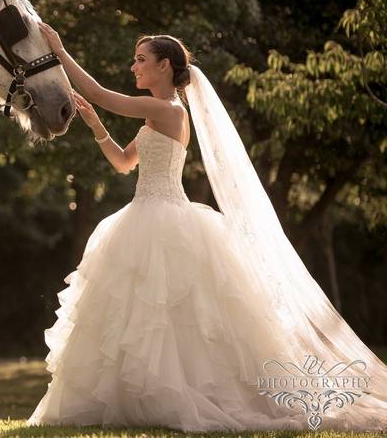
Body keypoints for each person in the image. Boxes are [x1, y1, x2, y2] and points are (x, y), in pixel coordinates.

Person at [26, 23, 387, 432]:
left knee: (172, 317)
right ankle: (138, 401)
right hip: (145, 213)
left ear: (165, 66)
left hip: (165, 218)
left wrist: (58, 50)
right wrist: (96, 127)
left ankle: (178, 398)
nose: (133, 67)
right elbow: (124, 163)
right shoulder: (155, 118)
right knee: (142, 319)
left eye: (141, 60)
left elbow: (99, 94)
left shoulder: (169, 111)